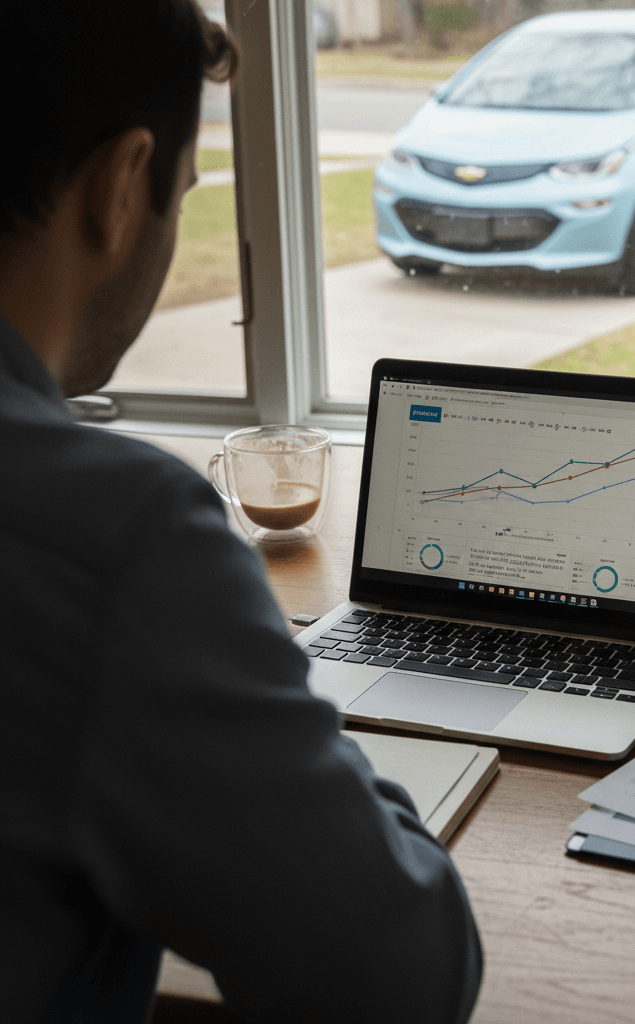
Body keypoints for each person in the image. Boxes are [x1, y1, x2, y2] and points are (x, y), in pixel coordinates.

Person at [0, 3, 482, 1022]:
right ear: (122, 186)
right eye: (181, 194)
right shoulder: (116, 539)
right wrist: (295, 725)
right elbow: (403, 982)